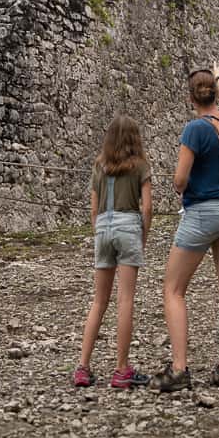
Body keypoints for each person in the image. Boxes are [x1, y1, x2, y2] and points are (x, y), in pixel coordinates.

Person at [151, 63, 219, 392]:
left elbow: (180, 180)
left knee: (174, 289)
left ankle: (179, 369)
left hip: (203, 213)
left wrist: (181, 185)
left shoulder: (194, 129)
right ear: (214, 94)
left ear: (191, 97)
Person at [73, 114, 152, 388]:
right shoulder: (140, 166)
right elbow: (148, 207)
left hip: (103, 227)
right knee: (125, 300)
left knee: (99, 301)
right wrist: (143, 236)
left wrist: (99, 231)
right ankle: (121, 369)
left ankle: (83, 366)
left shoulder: (99, 166)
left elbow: (93, 209)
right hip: (128, 225)